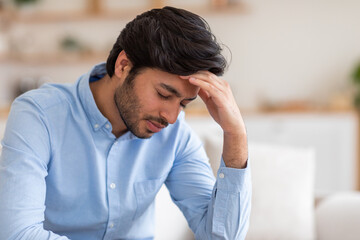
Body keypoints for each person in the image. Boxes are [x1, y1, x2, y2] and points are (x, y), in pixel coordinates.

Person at [0, 6, 251, 240]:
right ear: (123, 65)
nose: (171, 117)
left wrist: (235, 134)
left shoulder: (175, 136)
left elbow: (221, 236)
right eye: (164, 94)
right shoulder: (39, 116)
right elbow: (18, 233)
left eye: (184, 103)